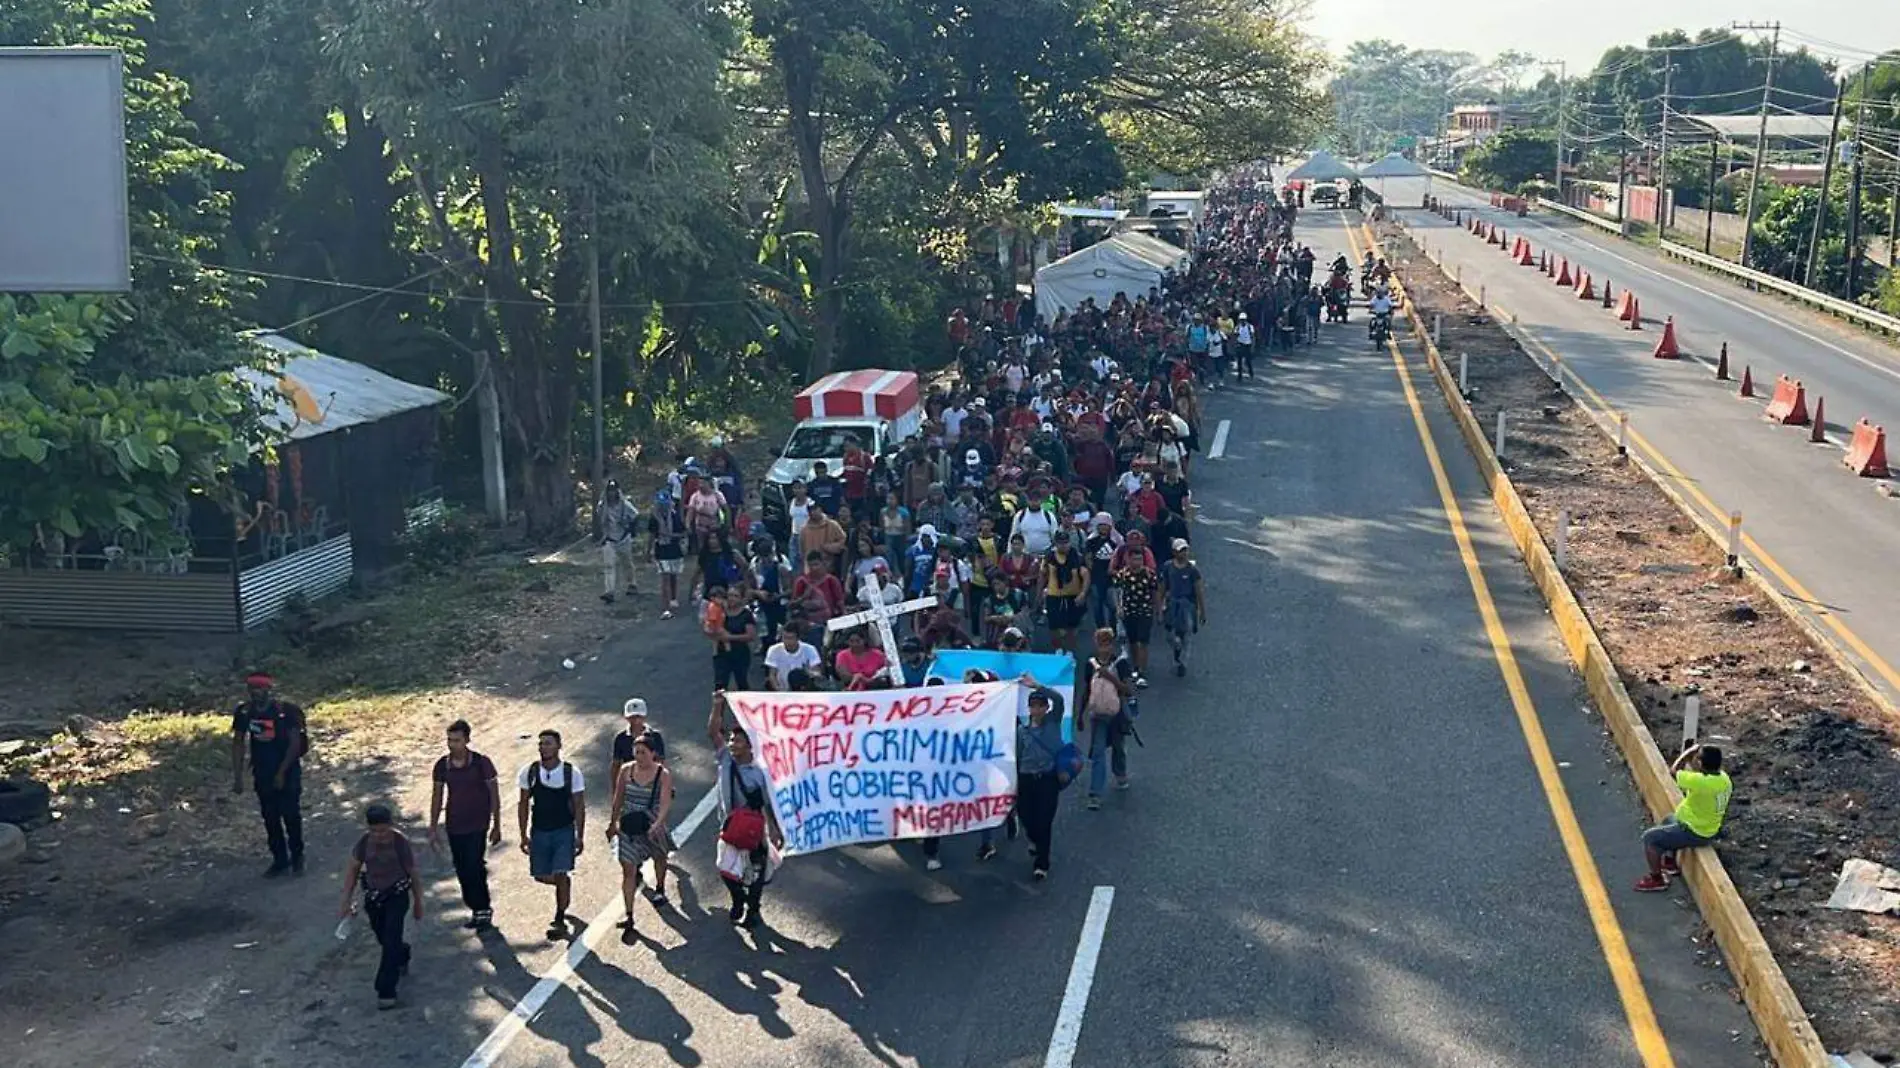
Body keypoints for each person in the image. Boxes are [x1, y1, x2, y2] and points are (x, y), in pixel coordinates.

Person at [707, 692, 785, 927]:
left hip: (753, 829)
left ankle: (754, 909)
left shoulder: (759, 773)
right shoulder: (726, 760)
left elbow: (768, 804)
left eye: (738, 741)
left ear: (750, 746)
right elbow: (713, 732)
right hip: (729, 825)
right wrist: (717, 706)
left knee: (757, 871)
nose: (732, 744)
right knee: (725, 869)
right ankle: (738, 899)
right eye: (731, 740)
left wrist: (774, 829)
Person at [337, 803, 422, 1010]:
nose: (379, 835)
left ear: (390, 825)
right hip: (374, 898)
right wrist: (345, 900)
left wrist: (419, 901)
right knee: (384, 938)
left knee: (391, 937)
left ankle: (386, 990)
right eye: (374, 831)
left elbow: (413, 873)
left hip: (397, 895)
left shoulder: (400, 842)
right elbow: (353, 871)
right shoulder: (364, 844)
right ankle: (403, 953)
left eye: (383, 830)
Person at [230, 672, 307, 877]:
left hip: (288, 770)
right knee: (270, 817)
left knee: (290, 814)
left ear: (268, 690)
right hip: (262, 772)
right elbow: (238, 742)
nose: (256, 693)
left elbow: (294, 744)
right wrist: (238, 776)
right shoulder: (245, 712)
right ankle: (280, 859)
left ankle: (298, 856)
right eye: (252, 689)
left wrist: (282, 772)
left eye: (260, 688)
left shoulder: (284, 711)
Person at [428, 719, 500, 932]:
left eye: (457, 740)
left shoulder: (481, 763)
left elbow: (494, 794)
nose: (452, 744)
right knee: (461, 867)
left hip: (478, 822)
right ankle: (474, 906)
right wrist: (433, 828)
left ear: (467, 740)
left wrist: (497, 824)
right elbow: (437, 797)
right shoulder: (442, 766)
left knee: (474, 863)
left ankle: (483, 909)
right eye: (449, 740)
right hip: (454, 823)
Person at [517, 730, 586, 941]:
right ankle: (563, 885)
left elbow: (579, 805)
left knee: (560, 871)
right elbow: (523, 804)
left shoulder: (571, 773)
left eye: (548, 743)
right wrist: (523, 834)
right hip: (539, 831)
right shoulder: (529, 772)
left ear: (558, 746)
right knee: (541, 874)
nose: (543, 747)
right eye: (541, 744)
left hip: (563, 830)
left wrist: (579, 835)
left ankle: (559, 917)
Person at [1636, 744, 1733, 891]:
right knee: (1669, 820)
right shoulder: (1723, 779)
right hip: (1705, 826)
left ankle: (1657, 879)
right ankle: (1670, 863)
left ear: (1700, 763)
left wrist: (1687, 754)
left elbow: (1674, 771)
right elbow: (1698, 774)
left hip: (1694, 831)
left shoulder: (1701, 782)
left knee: (1650, 838)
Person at [607, 735, 675, 940]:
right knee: (628, 869)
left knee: (659, 857)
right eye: (636, 752)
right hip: (629, 824)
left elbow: (664, 802)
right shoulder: (626, 770)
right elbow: (618, 798)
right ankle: (629, 915)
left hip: (651, 822)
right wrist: (613, 822)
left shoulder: (662, 774)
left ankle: (660, 888)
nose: (639, 756)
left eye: (643, 752)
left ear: (653, 753)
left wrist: (658, 823)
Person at [1016, 685, 1070, 879]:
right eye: (1033, 706)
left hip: (1047, 778)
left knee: (1044, 820)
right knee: (1026, 816)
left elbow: (1060, 700)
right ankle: (1034, 840)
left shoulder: (1052, 723)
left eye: (1040, 706)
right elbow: (1017, 755)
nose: (1037, 710)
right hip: (1026, 778)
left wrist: (1037, 685)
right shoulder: (1022, 732)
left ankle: (1042, 864)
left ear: (1046, 708)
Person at [1079, 628, 1135, 809]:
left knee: (1118, 746)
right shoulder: (1090, 664)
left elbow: (1128, 690)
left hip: (1117, 713)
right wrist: (1080, 714)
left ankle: (1120, 773)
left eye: (1107, 644)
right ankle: (1095, 793)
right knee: (1098, 752)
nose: (1104, 648)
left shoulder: (1121, 663)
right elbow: (1087, 689)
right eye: (1101, 644)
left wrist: (1111, 677)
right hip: (1097, 714)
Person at [1162, 538, 1206, 676]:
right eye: (1181, 550)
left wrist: (1202, 611)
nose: (1184, 553)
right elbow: (1162, 587)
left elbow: (1199, 591)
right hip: (1172, 605)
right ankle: (1177, 650)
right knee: (1170, 635)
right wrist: (1159, 606)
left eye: (1185, 550)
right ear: (1174, 552)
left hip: (1187, 606)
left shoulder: (1193, 570)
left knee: (1186, 635)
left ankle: (1182, 663)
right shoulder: (1168, 566)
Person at [1042, 530, 1090, 652]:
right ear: (1056, 543)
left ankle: (1070, 651)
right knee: (1054, 626)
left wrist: (1083, 593)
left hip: (1072, 596)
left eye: (1066, 542)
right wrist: (1040, 595)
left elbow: (1086, 575)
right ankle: (1057, 649)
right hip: (1054, 595)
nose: (1063, 545)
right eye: (1060, 543)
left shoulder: (1077, 557)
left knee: (1072, 627)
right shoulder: (1049, 557)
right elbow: (1042, 575)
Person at [598, 480, 640, 604]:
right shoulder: (602, 506)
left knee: (627, 563)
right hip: (609, 538)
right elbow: (601, 520)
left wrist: (630, 529)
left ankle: (632, 584)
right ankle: (609, 592)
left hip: (623, 537)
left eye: (613, 490)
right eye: (609, 491)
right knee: (609, 566)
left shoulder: (625, 505)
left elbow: (636, 516)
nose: (611, 493)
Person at [709, 584, 757, 690]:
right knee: (720, 685)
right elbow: (710, 627)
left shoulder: (746, 614)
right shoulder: (720, 611)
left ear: (742, 599)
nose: (731, 599)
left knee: (742, 682)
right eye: (729, 595)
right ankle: (718, 706)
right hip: (721, 653)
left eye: (735, 596)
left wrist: (730, 637)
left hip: (740, 653)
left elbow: (750, 636)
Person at [647, 491, 687, 619]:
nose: (663, 508)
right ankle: (665, 608)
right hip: (661, 550)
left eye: (665, 505)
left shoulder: (675, 517)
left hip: (675, 549)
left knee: (673, 576)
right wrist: (649, 551)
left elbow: (684, 532)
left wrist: (672, 536)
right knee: (665, 578)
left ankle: (673, 597)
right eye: (660, 505)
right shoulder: (654, 518)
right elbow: (652, 535)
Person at [764, 621, 824, 690]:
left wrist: (809, 673)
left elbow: (817, 673)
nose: (787, 641)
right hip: (783, 690)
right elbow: (772, 675)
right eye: (785, 638)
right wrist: (778, 690)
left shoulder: (810, 649)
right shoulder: (773, 650)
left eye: (791, 638)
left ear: (798, 638)